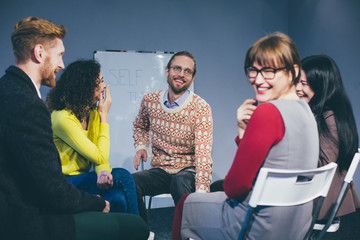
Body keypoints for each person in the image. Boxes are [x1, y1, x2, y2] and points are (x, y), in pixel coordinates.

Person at [0, 16, 148, 240]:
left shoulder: (9, 91)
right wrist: (96, 203)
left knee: (117, 196)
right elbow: (52, 188)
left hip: (30, 203)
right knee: (135, 225)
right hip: (28, 220)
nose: (61, 65)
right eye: (59, 55)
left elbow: (98, 160)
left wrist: (102, 172)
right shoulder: (31, 106)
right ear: (39, 53)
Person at [172, 32, 319, 240]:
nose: (258, 80)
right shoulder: (306, 111)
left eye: (268, 71)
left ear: (293, 72)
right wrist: (244, 131)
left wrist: (245, 132)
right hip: (296, 225)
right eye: (253, 70)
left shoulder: (268, 112)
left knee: (185, 203)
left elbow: (234, 188)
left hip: (257, 224)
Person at [46, 59, 139, 215]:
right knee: (123, 176)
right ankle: (141, 232)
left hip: (83, 178)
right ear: (84, 88)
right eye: (98, 83)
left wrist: (103, 171)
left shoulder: (92, 113)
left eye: (102, 81)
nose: (103, 86)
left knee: (117, 197)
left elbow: (99, 157)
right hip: (63, 182)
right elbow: (100, 154)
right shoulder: (62, 118)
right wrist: (104, 115)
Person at [132, 51, 213, 222]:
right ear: (167, 71)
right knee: (130, 183)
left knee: (179, 182)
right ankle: (143, 232)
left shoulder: (200, 107)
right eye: (177, 68)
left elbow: (203, 154)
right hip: (161, 169)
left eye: (187, 71)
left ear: (192, 77)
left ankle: (190, 233)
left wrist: (201, 192)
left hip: (187, 170)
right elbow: (140, 125)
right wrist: (141, 147)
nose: (181, 75)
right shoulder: (150, 101)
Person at [296, 54, 360, 221]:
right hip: (321, 198)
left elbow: (324, 166)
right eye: (296, 82)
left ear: (321, 86)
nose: (297, 88)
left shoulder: (328, 117)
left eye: (304, 83)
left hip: (321, 203)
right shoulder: (326, 113)